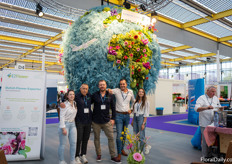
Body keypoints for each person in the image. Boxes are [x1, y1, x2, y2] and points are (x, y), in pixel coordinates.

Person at [91, 80, 120, 163]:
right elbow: (87, 103)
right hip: (96, 121)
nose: (102, 86)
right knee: (97, 139)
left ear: (106, 85)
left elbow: (113, 108)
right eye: (100, 85)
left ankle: (113, 156)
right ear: (98, 86)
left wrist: (113, 118)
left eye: (103, 85)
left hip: (107, 121)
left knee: (111, 138)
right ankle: (99, 154)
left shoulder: (110, 95)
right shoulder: (94, 95)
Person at [108, 79, 135, 161]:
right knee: (119, 134)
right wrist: (107, 89)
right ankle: (119, 153)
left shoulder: (131, 92)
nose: (122, 85)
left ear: (126, 84)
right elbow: (107, 90)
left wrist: (131, 109)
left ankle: (122, 149)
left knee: (124, 134)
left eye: (123, 84)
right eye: (121, 84)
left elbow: (134, 101)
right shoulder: (116, 91)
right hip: (118, 115)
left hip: (127, 116)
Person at [194, 86, 224, 159]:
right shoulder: (201, 98)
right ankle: (205, 156)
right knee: (205, 140)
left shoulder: (216, 98)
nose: (214, 93)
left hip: (214, 123)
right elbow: (196, 109)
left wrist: (221, 108)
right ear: (207, 91)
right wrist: (206, 107)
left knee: (212, 140)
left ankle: (210, 154)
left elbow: (218, 107)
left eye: (214, 92)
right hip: (205, 122)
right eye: (212, 92)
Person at [58, 90, 77, 164]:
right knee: (62, 144)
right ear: (67, 96)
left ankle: (72, 160)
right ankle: (61, 160)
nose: (72, 95)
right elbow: (61, 117)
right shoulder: (64, 104)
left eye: (73, 94)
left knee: (73, 143)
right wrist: (63, 128)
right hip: (65, 125)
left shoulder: (75, 103)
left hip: (73, 124)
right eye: (70, 94)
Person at [74, 84, 92, 164]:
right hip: (79, 121)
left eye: (86, 89)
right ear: (80, 89)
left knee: (85, 139)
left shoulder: (89, 96)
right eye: (83, 88)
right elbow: (68, 99)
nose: (85, 90)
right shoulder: (77, 96)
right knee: (79, 139)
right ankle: (76, 156)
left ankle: (83, 155)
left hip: (88, 121)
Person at [131, 88, 151, 154]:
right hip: (135, 118)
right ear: (138, 93)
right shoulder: (135, 101)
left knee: (141, 135)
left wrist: (143, 123)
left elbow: (146, 114)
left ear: (144, 93)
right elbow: (134, 112)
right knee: (136, 135)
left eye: (142, 92)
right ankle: (145, 146)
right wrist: (132, 120)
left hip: (141, 118)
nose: (140, 93)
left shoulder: (146, 102)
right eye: (139, 92)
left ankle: (141, 151)